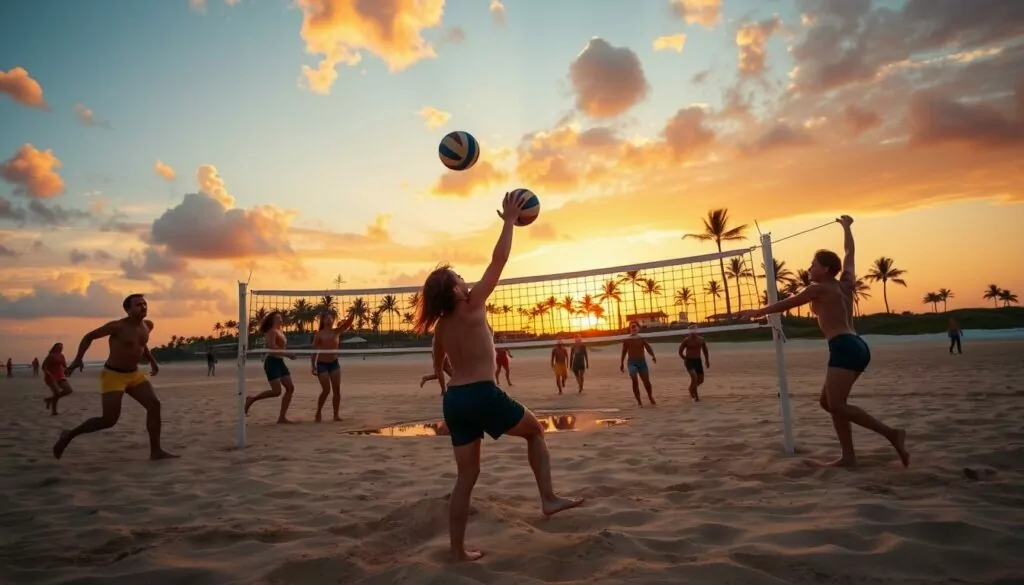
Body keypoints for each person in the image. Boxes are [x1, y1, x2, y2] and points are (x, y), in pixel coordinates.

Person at [414, 191, 583, 562]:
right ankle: (549, 499)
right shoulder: (473, 304)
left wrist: (443, 381)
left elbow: (436, 357)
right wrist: (509, 220)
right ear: (456, 290)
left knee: (466, 478)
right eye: (460, 277)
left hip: (455, 401)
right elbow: (500, 258)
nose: (466, 279)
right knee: (536, 431)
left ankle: (458, 550)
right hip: (481, 394)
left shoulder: (441, 326)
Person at [738, 215, 909, 468]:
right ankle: (848, 456)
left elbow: (788, 303)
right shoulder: (845, 283)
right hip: (856, 344)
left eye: (813, 264)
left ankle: (892, 434)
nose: (809, 269)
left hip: (844, 346)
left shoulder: (818, 288)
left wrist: (757, 312)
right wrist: (847, 228)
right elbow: (850, 253)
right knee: (829, 403)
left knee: (836, 404)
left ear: (825, 269)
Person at [52, 294, 177, 460]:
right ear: (128, 309)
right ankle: (69, 434)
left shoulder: (148, 325)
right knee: (109, 420)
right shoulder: (117, 326)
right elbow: (89, 336)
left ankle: (156, 451)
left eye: (145, 304)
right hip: (113, 375)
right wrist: (77, 359)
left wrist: (152, 360)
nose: (143, 307)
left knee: (154, 405)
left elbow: (141, 344)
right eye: (138, 305)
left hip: (134, 374)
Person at [244, 311, 297, 423]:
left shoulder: (280, 331)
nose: (280, 320)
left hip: (280, 362)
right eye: (278, 318)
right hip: (272, 362)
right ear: (273, 320)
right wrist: (288, 354)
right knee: (276, 391)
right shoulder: (272, 331)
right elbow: (271, 347)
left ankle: (282, 417)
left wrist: (288, 354)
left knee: (290, 388)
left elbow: (280, 347)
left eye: (280, 318)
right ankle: (252, 399)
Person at [311, 311, 355, 422]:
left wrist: (352, 314)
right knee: (326, 390)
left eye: (331, 318)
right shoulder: (319, 335)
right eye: (326, 318)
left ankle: (336, 415)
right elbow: (314, 352)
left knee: (337, 390)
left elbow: (346, 325)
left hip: (334, 363)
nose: (329, 320)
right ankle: (318, 412)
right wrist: (313, 366)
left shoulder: (336, 331)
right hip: (322, 364)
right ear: (323, 321)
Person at [620, 322, 657, 406]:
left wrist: (653, 356)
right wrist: (621, 363)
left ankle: (650, 396)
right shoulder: (627, 340)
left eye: (635, 326)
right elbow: (624, 352)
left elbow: (648, 347)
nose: (633, 328)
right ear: (630, 329)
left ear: (638, 328)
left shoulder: (641, 338)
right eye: (632, 326)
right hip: (632, 362)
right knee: (634, 380)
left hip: (642, 362)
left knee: (646, 381)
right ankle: (639, 401)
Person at [677, 325, 709, 402]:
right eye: (691, 331)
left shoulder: (701, 339)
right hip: (689, 361)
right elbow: (680, 351)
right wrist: (684, 358)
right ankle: (696, 396)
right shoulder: (686, 340)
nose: (693, 333)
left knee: (700, 380)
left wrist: (707, 360)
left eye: (694, 331)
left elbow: (705, 350)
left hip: (698, 361)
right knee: (694, 377)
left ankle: (691, 389)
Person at [42, 343, 74, 415]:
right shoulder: (50, 356)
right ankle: (54, 411)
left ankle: (49, 399)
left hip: (60, 376)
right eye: (59, 347)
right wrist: (48, 373)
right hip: (51, 376)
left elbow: (64, 366)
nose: (60, 349)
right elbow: (44, 367)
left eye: (61, 347)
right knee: (56, 393)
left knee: (69, 390)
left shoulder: (62, 356)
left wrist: (70, 370)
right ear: (55, 348)